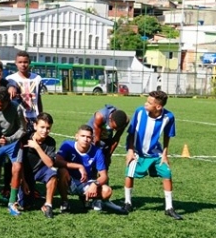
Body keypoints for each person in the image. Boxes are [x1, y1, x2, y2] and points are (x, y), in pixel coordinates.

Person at [123, 91, 181, 220]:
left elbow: (168, 135)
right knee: (129, 173)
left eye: (149, 103)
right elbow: (131, 133)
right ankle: (127, 203)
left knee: (167, 173)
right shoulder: (139, 112)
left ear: (158, 107)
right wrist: (130, 150)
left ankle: (169, 207)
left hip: (156, 153)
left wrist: (165, 153)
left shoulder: (169, 117)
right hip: (138, 152)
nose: (145, 104)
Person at [57, 124, 117, 214]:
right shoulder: (67, 145)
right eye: (83, 136)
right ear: (76, 136)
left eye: (88, 137)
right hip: (70, 181)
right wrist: (79, 166)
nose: (85, 139)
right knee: (62, 171)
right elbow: (57, 162)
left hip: (86, 183)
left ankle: (91, 200)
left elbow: (104, 176)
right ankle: (65, 202)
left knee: (107, 191)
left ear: (92, 139)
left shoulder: (97, 151)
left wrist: (95, 184)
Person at [13, 112, 64, 219]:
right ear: (35, 126)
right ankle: (28, 194)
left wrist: (36, 147)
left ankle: (48, 205)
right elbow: (19, 162)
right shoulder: (25, 138)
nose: (45, 131)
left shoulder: (50, 142)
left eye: (48, 128)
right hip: (25, 174)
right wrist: (23, 181)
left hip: (41, 171)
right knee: (25, 205)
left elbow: (50, 163)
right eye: (42, 127)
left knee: (53, 173)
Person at [0, 88, 28, 214]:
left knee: (17, 167)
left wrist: (9, 139)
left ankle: (12, 202)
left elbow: (22, 129)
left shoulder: (17, 108)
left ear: (8, 102)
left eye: (0, 105)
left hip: (12, 142)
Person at [6, 51, 42, 124]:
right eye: (20, 62)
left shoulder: (37, 78)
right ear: (16, 63)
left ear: (29, 62)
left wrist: (40, 116)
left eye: (25, 62)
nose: (23, 64)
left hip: (35, 117)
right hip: (18, 117)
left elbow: (38, 99)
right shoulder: (9, 78)